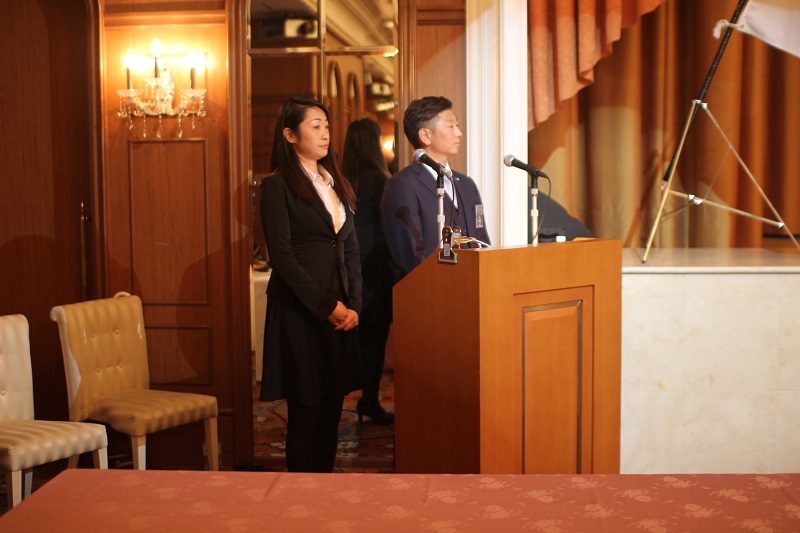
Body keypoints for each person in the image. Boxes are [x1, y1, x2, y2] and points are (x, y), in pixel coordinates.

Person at [259, 95, 362, 473]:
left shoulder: (336, 184)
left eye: (327, 126)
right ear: (290, 135)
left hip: (340, 311)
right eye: (315, 126)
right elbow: (282, 257)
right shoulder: (277, 186)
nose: (325, 134)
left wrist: (354, 306)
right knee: (307, 411)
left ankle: (324, 490)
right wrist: (326, 306)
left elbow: (351, 250)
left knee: (333, 410)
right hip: (300, 311)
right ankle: (300, 495)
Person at [381, 96, 491, 277]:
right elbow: (409, 255)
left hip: (473, 285)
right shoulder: (402, 185)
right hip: (431, 287)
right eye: (450, 126)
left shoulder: (466, 184)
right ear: (425, 135)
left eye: (457, 125)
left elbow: (482, 240)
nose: (458, 133)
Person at [342, 118, 395, 425]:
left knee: (356, 337)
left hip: (348, 263)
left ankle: (357, 398)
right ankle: (370, 401)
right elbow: (387, 227)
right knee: (375, 338)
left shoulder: (341, 177)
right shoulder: (379, 178)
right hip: (374, 264)